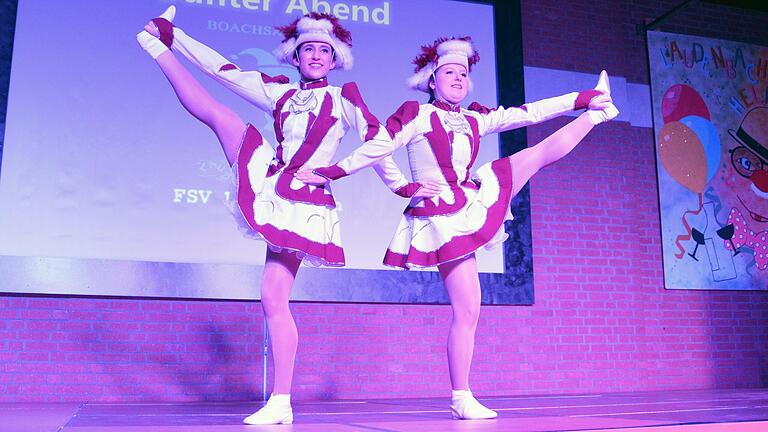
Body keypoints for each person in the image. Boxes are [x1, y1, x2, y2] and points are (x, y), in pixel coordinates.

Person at [301, 36, 618, 420]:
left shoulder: (475, 118)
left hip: (469, 199)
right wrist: (385, 182)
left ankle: (596, 112)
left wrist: (582, 98)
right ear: (432, 80)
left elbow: (529, 112)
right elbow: (379, 146)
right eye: (449, 72)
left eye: (463, 74)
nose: (457, 78)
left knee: (533, 156)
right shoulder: (416, 113)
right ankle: (461, 395)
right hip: (439, 215)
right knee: (466, 308)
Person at [136, 7, 407, 425]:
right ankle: (156, 47)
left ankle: (281, 399)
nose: (316, 56)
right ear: (295, 57)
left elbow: (379, 141)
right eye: (308, 50)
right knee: (219, 114)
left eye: (323, 50)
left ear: (335, 59)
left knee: (272, 296)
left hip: (304, 203)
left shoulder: (343, 96)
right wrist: (174, 35)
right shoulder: (279, 92)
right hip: (271, 178)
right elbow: (221, 70)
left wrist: (370, 179)